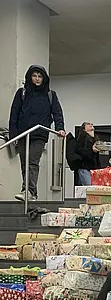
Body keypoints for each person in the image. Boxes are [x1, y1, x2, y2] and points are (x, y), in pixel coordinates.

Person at [8, 65, 66, 201]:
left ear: (44, 78)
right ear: (30, 77)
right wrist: (13, 135)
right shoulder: (21, 93)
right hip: (23, 134)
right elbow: (14, 113)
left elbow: (57, 113)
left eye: (40, 76)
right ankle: (32, 193)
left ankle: (28, 190)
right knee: (24, 164)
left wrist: (60, 128)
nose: (37, 79)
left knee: (32, 162)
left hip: (39, 134)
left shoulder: (50, 95)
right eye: (34, 76)